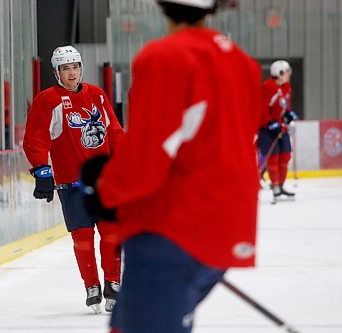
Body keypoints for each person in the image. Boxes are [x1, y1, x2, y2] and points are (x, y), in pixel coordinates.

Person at [79, 1, 262, 332]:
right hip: (228, 228)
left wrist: (106, 191)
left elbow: (151, 150)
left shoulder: (165, 57)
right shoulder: (241, 61)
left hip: (174, 228)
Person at [23, 45, 124, 314]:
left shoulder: (98, 95)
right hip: (71, 183)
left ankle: (113, 282)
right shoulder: (48, 100)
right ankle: (91, 285)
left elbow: (114, 132)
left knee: (112, 233)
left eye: (75, 67)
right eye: (66, 68)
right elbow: (36, 138)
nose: (72, 73)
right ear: (57, 73)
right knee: (82, 236)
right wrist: (42, 170)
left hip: (104, 182)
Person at [258, 60, 298, 202]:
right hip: (267, 128)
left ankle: (281, 185)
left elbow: (284, 106)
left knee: (285, 155)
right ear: (279, 73)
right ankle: (275, 187)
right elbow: (262, 107)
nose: (288, 74)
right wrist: (269, 123)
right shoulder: (267, 87)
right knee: (273, 157)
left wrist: (288, 114)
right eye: (286, 72)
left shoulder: (286, 87)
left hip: (281, 127)